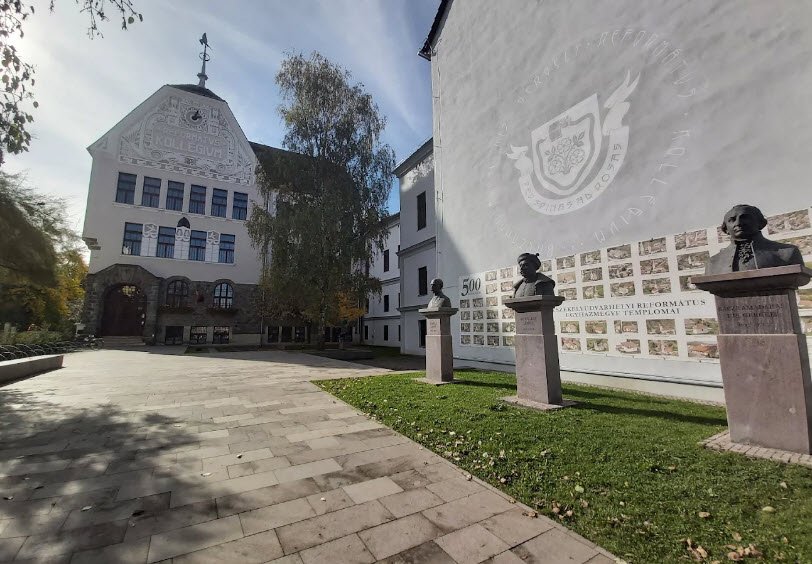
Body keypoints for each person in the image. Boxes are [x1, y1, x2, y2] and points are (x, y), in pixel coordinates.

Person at [705, 204, 804, 275]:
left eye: (745, 218)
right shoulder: (713, 262)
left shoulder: (788, 253)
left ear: (760, 223)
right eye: (732, 220)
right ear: (726, 229)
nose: (738, 223)